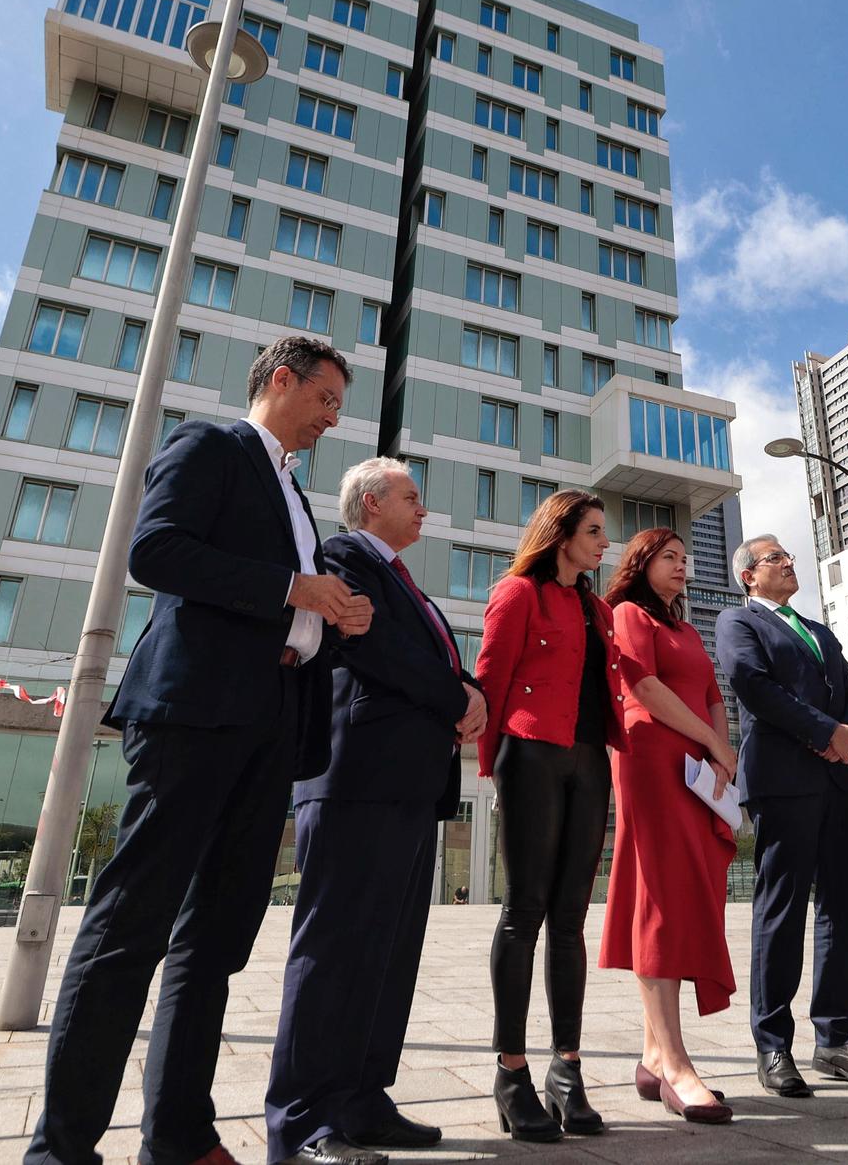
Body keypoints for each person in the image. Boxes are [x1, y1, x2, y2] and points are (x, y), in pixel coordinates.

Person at [25, 337, 372, 1165]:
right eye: (325, 399)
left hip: (267, 727)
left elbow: (285, 604)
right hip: (194, 714)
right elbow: (158, 551)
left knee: (214, 942)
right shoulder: (209, 444)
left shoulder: (297, 495)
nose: (332, 418)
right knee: (128, 928)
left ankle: (178, 1136)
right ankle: (60, 1150)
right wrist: (295, 589)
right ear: (280, 380)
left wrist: (328, 620)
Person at [263, 459, 487, 1165]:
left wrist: (470, 688)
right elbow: (383, 649)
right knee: (333, 953)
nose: (425, 510)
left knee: (387, 956)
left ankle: (360, 1099)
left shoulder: (405, 580)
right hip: (356, 779)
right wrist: (458, 698)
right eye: (411, 497)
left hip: (410, 786)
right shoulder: (341, 556)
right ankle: (301, 1121)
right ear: (369, 502)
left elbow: (435, 655)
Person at [474, 490, 647, 1142]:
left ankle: (565, 1069)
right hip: (531, 756)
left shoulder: (598, 609)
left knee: (571, 916)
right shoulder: (518, 593)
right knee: (524, 910)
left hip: (588, 760)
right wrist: (493, 769)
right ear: (562, 531)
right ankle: (511, 1071)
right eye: (595, 530)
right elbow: (490, 680)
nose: (605, 542)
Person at [716, 535, 848, 1099]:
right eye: (775, 558)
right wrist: (824, 733)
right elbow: (754, 686)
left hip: (836, 780)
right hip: (782, 781)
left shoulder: (817, 630)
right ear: (749, 575)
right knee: (783, 908)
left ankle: (837, 1038)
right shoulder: (738, 623)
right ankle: (773, 1044)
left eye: (788, 556)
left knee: (843, 908)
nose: (789, 562)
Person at [599, 527, 739, 1126]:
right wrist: (710, 743)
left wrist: (721, 753)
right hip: (653, 761)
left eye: (686, 558)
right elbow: (645, 687)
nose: (682, 566)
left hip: (696, 770)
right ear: (641, 563)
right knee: (659, 898)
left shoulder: (685, 630)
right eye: (669, 557)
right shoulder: (628, 613)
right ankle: (676, 1064)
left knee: (679, 899)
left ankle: (655, 1055)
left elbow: (712, 694)